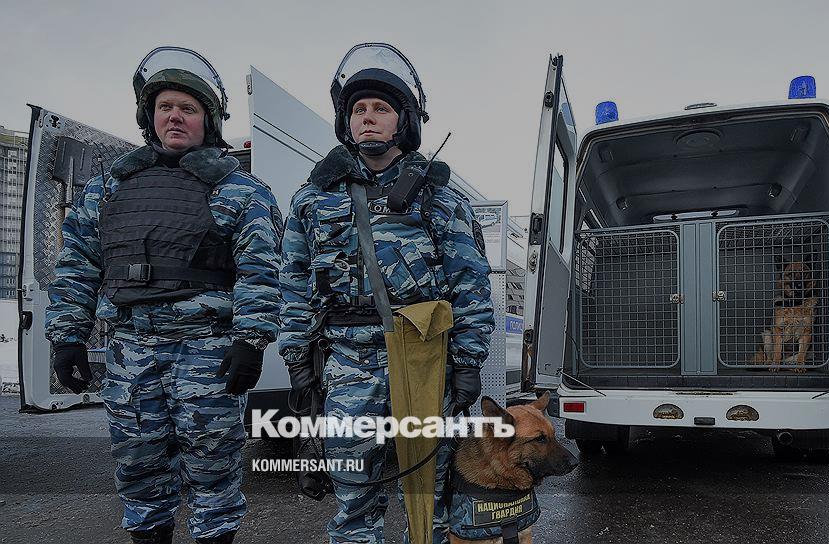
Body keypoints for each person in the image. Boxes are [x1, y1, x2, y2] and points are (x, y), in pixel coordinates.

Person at [44, 46, 283, 544]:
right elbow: (78, 265)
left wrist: (251, 341)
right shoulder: (108, 190)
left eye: (188, 108)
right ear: (148, 116)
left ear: (208, 120)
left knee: (213, 471)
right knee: (138, 468)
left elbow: (261, 271)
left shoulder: (241, 191)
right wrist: (67, 337)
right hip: (131, 350)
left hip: (207, 351)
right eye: (165, 107)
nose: (175, 116)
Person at [278, 43, 495, 543]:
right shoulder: (313, 199)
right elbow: (293, 282)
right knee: (353, 496)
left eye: (381, 108)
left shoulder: (438, 197)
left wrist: (466, 363)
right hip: (346, 364)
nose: (368, 118)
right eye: (359, 109)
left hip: (423, 361)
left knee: (428, 498)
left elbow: (470, 283)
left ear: (404, 121)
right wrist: (297, 357)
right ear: (346, 121)